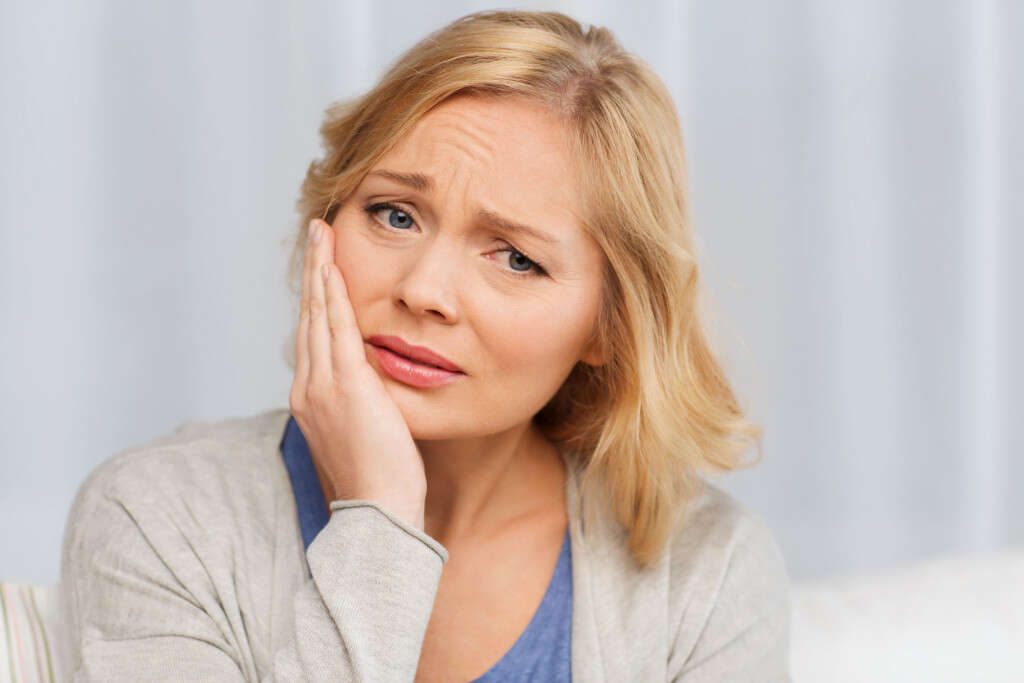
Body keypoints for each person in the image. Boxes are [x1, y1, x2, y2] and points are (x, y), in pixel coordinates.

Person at [59, 9, 790, 682]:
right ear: (326, 222)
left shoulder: (706, 572)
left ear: (610, 325)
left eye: (515, 258)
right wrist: (381, 515)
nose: (423, 289)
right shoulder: (161, 517)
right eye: (395, 215)